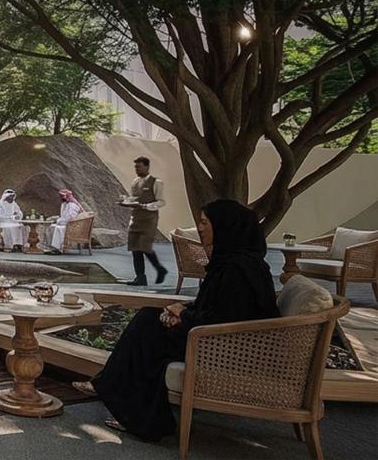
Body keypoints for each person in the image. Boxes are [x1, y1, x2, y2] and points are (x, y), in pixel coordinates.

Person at [79, 198, 278, 441]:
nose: (200, 228)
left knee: (148, 329)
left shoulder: (238, 271)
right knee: (149, 319)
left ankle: (132, 407)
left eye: (205, 223)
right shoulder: (234, 263)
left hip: (224, 349)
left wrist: (183, 316)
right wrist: (181, 311)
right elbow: (214, 308)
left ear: (224, 226)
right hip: (214, 339)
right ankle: (119, 395)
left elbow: (223, 320)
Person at [124, 156, 168, 285]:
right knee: (135, 248)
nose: (136, 169)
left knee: (144, 246)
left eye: (139, 166)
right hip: (136, 218)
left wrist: (146, 206)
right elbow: (134, 198)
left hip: (149, 219)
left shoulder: (156, 182)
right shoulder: (135, 182)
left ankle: (160, 269)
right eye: (135, 167)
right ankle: (140, 277)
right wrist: (126, 201)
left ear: (147, 166)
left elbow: (161, 202)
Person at [43, 188, 84, 255]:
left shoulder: (72, 205)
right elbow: (63, 216)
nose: (61, 198)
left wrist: (58, 221)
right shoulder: (65, 204)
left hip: (73, 226)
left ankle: (58, 249)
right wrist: (57, 220)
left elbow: (70, 218)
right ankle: (51, 248)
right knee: (51, 226)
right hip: (66, 224)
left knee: (57, 228)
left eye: (62, 196)